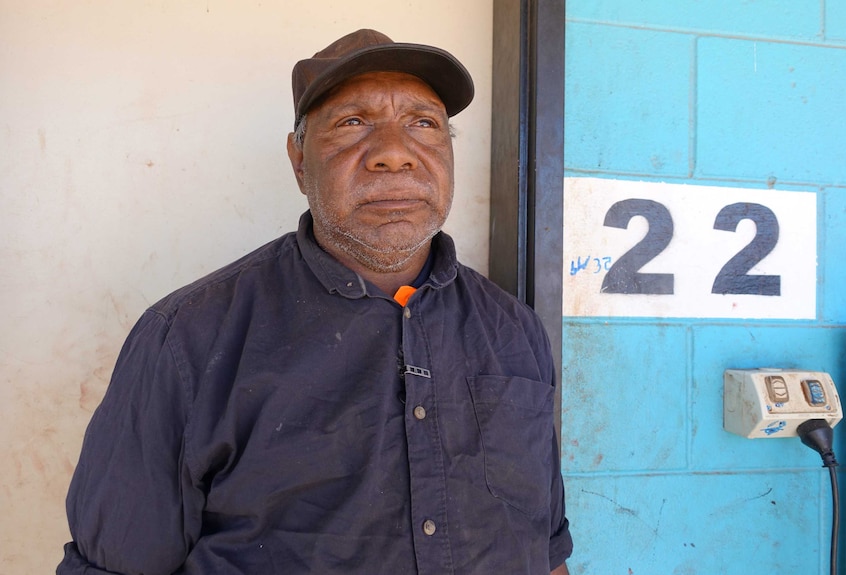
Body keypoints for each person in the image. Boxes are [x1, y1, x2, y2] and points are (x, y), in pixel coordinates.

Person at [58, 29, 573, 575]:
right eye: (353, 123)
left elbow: (546, 550)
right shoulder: (188, 338)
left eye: (424, 123)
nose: (395, 154)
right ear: (299, 159)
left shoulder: (515, 330)